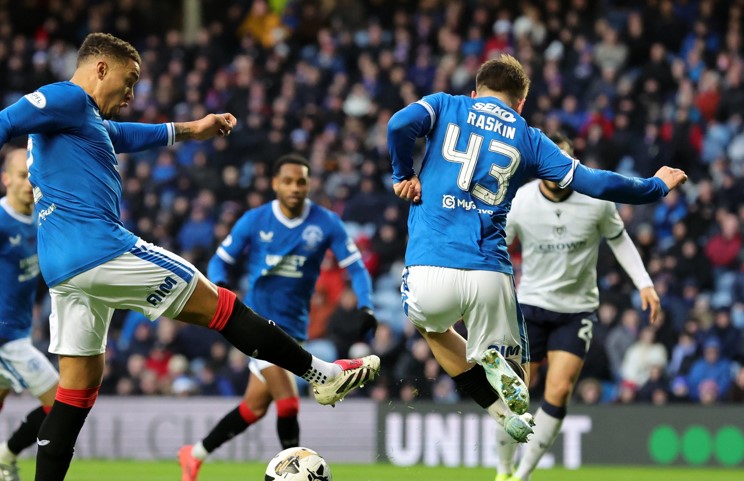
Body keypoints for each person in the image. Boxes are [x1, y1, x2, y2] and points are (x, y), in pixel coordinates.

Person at [0, 33, 379, 481]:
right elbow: (6, 121)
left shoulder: (86, 122)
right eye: (129, 80)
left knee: (76, 392)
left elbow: (129, 135)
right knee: (220, 305)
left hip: (63, 271)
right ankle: (322, 374)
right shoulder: (66, 97)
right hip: (100, 250)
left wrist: (193, 129)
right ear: (100, 68)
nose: (131, 94)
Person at [387, 55, 686, 443]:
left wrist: (402, 172)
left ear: (475, 92)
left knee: (430, 326)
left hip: (431, 266)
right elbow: (596, 183)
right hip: (489, 275)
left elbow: (398, 124)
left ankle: (493, 399)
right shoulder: (528, 136)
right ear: (521, 102)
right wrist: (655, 186)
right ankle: (500, 394)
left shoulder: (446, 104)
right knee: (516, 371)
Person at [178, 153, 377, 481]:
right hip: (258, 326)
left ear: (309, 184)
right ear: (274, 184)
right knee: (288, 404)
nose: (295, 187)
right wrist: (224, 293)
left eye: (301, 181)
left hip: (296, 329)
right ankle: (294, 475)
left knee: (254, 407)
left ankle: (194, 453)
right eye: (288, 181)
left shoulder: (325, 223)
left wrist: (366, 305)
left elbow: (355, 266)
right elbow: (218, 262)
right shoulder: (254, 220)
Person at [493, 133, 661, 481]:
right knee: (516, 394)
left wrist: (644, 282)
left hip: (577, 309)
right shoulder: (521, 201)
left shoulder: (596, 200)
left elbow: (619, 239)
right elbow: (496, 248)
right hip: (531, 307)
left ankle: (522, 475)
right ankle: (503, 468)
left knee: (559, 389)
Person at [0, 149, 60, 481]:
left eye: (32, 175)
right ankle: (6, 454)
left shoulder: (42, 219)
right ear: (6, 179)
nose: (28, 183)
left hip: (21, 331)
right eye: (22, 175)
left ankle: (3, 459)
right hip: (4, 338)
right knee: (63, 402)